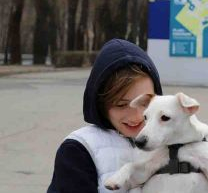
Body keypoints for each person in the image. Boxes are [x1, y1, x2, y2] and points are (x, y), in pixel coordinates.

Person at [47, 39, 163, 193]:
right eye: (121, 105)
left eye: (144, 102)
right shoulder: (79, 150)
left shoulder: (177, 139)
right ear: (102, 103)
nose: (136, 116)